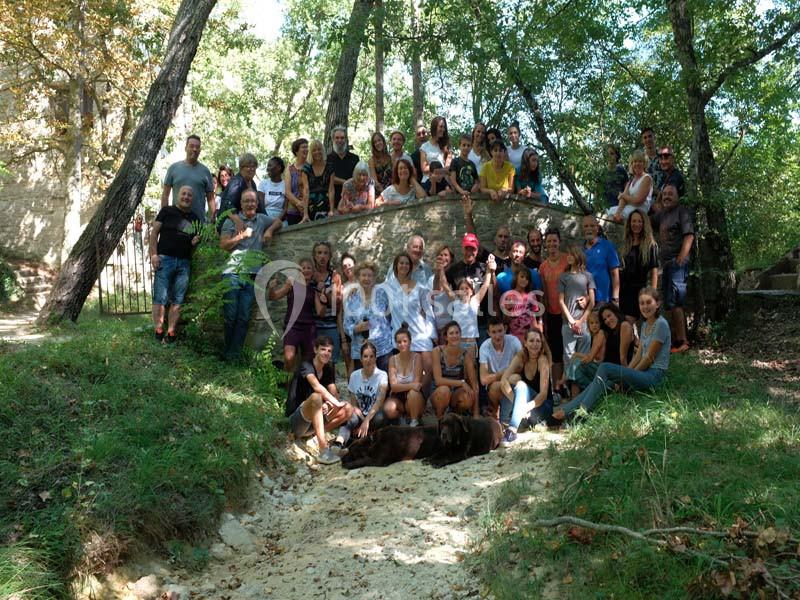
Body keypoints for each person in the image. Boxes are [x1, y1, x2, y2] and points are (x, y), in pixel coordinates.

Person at [553, 287, 671, 421]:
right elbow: (639, 355)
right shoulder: (644, 325)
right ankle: (568, 411)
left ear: (658, 304)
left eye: (649, 302)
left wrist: (626, 376)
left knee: (605, 369)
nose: (645, 306)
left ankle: (580, 413)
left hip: (654, 375)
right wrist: (627, 373)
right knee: (604, 382)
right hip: (643, 373)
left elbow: (649, 358)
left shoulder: (661, 324)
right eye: (642, 303)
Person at [219, 190, 271, 361]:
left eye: (252, 201)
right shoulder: (231, 221)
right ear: (240, 204)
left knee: (243, 318)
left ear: (257, 204)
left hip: (251, 275)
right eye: (246, 201)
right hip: (232, 273)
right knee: (230, 315)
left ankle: (234, 356)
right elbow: (224, 245)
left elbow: (279, 220)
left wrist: (269, 231)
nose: (249, 204)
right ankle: (227, 353)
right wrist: (240, 236)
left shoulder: (262, 219)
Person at [286, 336, 353, 465]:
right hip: (297, 420)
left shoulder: (328, 369)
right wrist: (334, 402)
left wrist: (329, 403)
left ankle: (317, 436)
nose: (326, 353)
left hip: (314, 422)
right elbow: (316, 386)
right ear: (315, 349)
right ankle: (323, 450)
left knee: (348, 409)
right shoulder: (306, 365)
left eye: (329, 351)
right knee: (317, 397)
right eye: (323, 349)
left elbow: (334, 394)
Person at [149, 185, 200, 344]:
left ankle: (171, 333)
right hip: (165, 259)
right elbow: (154, 233)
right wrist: (154, 255)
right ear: (178, 196)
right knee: (160, 297)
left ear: (192, 199)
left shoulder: (195, 218)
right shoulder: (167, 211)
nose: (186, 197)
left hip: (184, 263)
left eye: (189, 195)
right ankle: (158, 330)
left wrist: (193, 242)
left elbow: (192, 241)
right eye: (184, 194)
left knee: (178, 299)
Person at [650, 183, 694, 353]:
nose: (667, 197)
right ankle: (676, 341)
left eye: (670, 194)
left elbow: (689, 235)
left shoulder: (681, 211)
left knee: (676, 302)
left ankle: (683, 341)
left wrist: (681, 258)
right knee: (669, 302)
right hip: (666, 265)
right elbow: (647, 219)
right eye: (664, 194)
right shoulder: (662, 215)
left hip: (677, 264)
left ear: (677, 197)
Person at [385, 252, 436, 390]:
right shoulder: (388, 287)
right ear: (396, 266)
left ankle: (422, 396)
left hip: (419, 333)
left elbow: (429, 312)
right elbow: (371, 291)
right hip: (400, 336)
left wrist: (431, 335)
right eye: (401, 263)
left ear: (411, 267)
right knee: (404, 371)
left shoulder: (420, 288)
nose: (404, 266)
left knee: (429, 366)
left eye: (407, 263)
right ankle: (407, 397)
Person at [268, 258, 324, 375]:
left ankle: (302, 389)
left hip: (309, 328)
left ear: (313, 272)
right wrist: (271, 288)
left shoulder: (313, 291)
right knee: (289, 358)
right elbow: (274, 297)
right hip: (292, 326)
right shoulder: (291, 284)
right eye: (303, 268)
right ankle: (287, 390)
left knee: (308, 363)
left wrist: (323, 297)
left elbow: (320, 313)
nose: (306, 270)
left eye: (309, 268)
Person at [499, 328, 554, 445]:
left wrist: (524, 407)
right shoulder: (521, 356)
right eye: (531, 341)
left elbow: (543, 394)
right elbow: (504, 380)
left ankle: (511, 431)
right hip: (527, 410)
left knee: (520, 384)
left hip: (542, 407)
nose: (535, 344)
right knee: (513, 379)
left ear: (541, 343)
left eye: (538, 341)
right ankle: (509, 423)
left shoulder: (542, 360)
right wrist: (518, 404)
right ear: (525, 343)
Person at [335, 341, 390, 447]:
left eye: (371, 356)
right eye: (365, 356)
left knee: (381, 417)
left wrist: (367, 421)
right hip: (360, 414)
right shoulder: (354, 376)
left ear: (375, 358)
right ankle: (338, 443)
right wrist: (363, 419)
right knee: (350, 417)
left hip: (374, 415)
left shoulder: (382, 375)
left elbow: (379, 402)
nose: (368, 359)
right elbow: (354, 404)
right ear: (360, 359)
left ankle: (368, 436)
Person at [343, 262, 394, 372]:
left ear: (374, 277)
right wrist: (356, 328)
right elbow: (346, 325)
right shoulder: (352, 298)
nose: (366, 278)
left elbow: (391, 316)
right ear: (358, 277)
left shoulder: (382, 293)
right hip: (361, 350)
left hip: (382, 348)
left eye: (369, 275)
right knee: (363, 385)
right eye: (363, 275)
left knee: (384, 384)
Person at [572, 302, 634, 391]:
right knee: (579, 370)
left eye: (609, 316)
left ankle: (604, 390)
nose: (607, 320)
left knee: (580, 367)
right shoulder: (610, 331)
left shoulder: (624, 325)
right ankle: (597, 391)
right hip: (606, 371)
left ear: (616, 313)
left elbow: (623, 358)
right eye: (605, 319)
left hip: (614, 373)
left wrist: (623, 380)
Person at [559, 245, 596, 393]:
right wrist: (572, 321)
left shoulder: (588, 276)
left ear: (578, 257)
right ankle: (570, 393)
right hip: (568, 324)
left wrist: (581, 321)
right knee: (569, 356)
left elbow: (592, 301)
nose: (568, 257)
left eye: (572, 254)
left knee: (582, 358)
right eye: (568, 254)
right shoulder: (564, 277)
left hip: (584, 324)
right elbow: (561, 301)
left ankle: (583, 391)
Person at [445, 254, 497, 355]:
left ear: (472, 291)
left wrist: (489, 270)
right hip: (457, 340)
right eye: (462, 289)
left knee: (470, 363)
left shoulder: (474, 301)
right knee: (458, 364)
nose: (464, 291)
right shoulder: (455, 301)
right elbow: (444, 285)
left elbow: (486, 284)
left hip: (470, 340)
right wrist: (441, 269)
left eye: (467, 288)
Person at [539, 227, 569, 391]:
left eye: (554, 241)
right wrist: (543, 319)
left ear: (559, 242)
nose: (552, 244)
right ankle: (558, 388)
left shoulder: (567, 260)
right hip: (552, 314)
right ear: (545, 244)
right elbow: (543, 293)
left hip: (569, 313)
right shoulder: (543, 267)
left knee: (569, 351)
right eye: (549, 241)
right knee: (556, 352)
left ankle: (571, 384)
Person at [161, 134, 215, 223]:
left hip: (198, 223)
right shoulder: (173, 168)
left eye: (197, 147)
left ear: (200, 150)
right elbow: (165, 195)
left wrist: (212, 220)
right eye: (192, 146)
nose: (194, 149)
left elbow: (211, 198)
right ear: (186, 148)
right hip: (176, 222)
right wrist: (164, 216)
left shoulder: (205, 172)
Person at [431, 321, 479, 418]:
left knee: (467, 397)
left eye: (457, 333)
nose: (455, 336)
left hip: (455, 394)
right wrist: (461, 383)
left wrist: (476, 413)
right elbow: (438, 380)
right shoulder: (437, 351)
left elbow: (474, 383)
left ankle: (455, 417)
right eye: (451, 333)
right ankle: (440, 420)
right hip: (439, 392)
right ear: (446, 337)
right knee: (444, 391)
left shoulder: (465, 354)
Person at [619, 209, 659, 322]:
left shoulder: (651, 245)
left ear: (644, 223)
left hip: (639, 290)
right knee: (625, 324)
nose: (636, 224)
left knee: (629, 321)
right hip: (624, 290)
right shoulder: (626, 243)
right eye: (634, 221)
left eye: (639, 221)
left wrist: (652, 294)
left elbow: (654, 272)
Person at [479, 316, 522, 420]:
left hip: (511, 379)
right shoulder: (484, 347)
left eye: (500, 331)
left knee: (515, 379)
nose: (497, 335)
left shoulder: (513, 341)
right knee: (495, 387)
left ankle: (513, 412)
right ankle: (498, 413)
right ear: (488, 333)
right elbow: (483, 379)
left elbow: (521, 366)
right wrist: (505, 373)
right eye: (493, 332)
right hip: (496, 385)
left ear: (505, 329)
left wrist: (503, 376)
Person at [311, 241, 343, 366]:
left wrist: (324, 291)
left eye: (325, 253)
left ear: (329, 256)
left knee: (331, 364)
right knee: (314, 363)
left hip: (330, 326)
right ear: (314, 256)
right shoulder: (309, 274)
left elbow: (337, 304)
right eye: (319, 253)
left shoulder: (334, 276)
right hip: (313, 327)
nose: (322, 256)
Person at [386, 327, 425, 426]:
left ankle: (414, 421)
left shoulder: (417, 358)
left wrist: (401, 387)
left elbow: (417, 385)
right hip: (398, 398)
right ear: (396, 344)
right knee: (388, 409)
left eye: (405, 341)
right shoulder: (392, 360)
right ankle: (401, 419)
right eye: (399, 342)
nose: (402, 344)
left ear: (410, 342)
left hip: (414, 398)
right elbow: (393, 386)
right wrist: (411, 385)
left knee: (413, 393)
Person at [582, 214, 620, 304]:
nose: (589, 229)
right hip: (584, 300)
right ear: (582, 229)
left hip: (603, 300)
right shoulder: (580, 250)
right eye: (586, 226)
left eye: (592, 226)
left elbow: (615, 274)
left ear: (597, 228)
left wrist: (615, 299)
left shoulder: (607, 246)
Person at [501, 265, 544, 343]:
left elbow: (533, 317)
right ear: (516, 277)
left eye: (527, 278)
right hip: (514, 336)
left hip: (529, 336)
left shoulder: (532, 296)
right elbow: (505, 320)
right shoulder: (508, 295)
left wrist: (538, 330)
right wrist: (509, 309)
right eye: (522, 276)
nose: (524, 280)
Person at [569, 309, 605, 396]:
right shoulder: (594, 336)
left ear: (600, 324)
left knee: (576, 367)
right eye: (592, 323)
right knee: (575, 366)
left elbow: (592, 356)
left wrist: (578, 357)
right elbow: (591, 356)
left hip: (600, 366)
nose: (594, 325)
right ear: (588, 325)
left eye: (597, 323)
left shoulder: (601, 333)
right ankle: (576, 397)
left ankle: (591, 390)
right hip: (594, 364)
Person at [610, 150, 652, 223]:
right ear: (632, 164)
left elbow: (638, 201)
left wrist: (623, 195)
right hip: (629, 207)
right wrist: (618, 213)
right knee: (610, 212)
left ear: (644, 164)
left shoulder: (647, 178)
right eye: (635, 162)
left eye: (640, 162)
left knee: (610, 217)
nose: (637, 164)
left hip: (639, 210)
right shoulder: (631, 181)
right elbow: (623, 199)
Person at [218, 153, 258, 228]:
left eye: (253, 166)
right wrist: (237, 220)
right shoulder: (236, 182)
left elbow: (259, 205)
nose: (251, 169)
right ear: (241, 168)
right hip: (228, 224)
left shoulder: (253, 183)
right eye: (248, 166)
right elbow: (228, 204)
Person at [327, 125, 360, 210]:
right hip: (333, 202)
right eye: (337, 138)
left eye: (342, 138)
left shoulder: (354, 158)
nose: (340, 140)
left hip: (353, 200)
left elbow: (359, 177)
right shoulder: (327, 159)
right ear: (332, 139)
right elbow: (328, 178)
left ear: (346, 139)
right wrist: (345, 182)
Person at [258, 157, 290, 241]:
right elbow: (260, 205)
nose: (267, 168)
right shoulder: (263, 184)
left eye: (270, 165)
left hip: (280, 217)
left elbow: (285, 209)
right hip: (265, 215)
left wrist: (277, 221)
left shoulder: (285, 185)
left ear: (279, 167)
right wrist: (268, 220)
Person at [429, 245, 456, 342]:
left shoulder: (454, 277)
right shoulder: (432, 279)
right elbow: (432, 300)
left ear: (451, 258)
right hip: (437, 325)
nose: (443, 258)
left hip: (452, 326)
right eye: (441, 255)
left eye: (446, 255)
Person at [303, 139, 335, 220]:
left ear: (323, 150)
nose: (317, 152)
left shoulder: (330, 167)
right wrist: (305, 214)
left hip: (326, 203)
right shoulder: (306, 168)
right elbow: (306, 191)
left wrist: (332, 210)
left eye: (319, 149)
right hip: (311, 205)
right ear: (311, 153)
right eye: (314, 150)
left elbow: (331, 189)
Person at [338, 252, 357, 377]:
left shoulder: (364, 283)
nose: (347, 268)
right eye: (344, 266)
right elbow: (339, 314)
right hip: (347, 331)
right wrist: (343, 340)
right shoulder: (342, 288)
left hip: (363, 329)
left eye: (349, 265)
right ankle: (352, 395)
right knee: (349, 364)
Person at [420, 115, 452, 188]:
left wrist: (434, 169)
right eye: (441, 127)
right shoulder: (424, 147)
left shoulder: (447, 146)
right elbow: (424, 169)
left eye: (444, 127)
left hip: (443, 183)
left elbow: (447, 168)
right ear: (434, 127)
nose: (443, 129)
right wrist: (441, 169)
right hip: (427, 182)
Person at [285, 138, 311, 224]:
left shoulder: (311, 167)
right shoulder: (289, 169)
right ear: (296, 151)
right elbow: (287, 192)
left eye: (307, 147)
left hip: (310, 209)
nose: (306, 149)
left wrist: (305, 206)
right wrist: (299, 203)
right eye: (303, 147)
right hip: (293, 211)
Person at [601, 144, 628, 211]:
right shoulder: (602, 173)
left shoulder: (621, 170)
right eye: (607, 154)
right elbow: (598, 193)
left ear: (616, 155)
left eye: (612, 153)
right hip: (607, 208)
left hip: (620, 207)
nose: (609, 156)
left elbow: (627, 189)